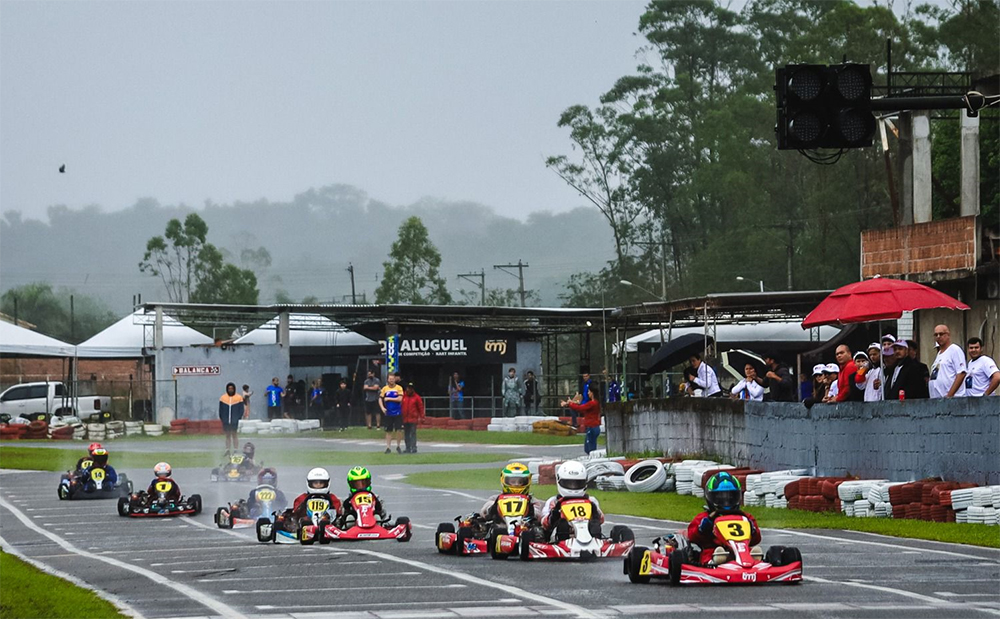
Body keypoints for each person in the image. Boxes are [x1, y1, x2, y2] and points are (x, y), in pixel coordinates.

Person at [686, 471, 761, 566]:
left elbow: (757, 539)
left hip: (742, 550)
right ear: (711, 497)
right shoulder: (705, 517)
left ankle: (754, 560)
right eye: (720, 497)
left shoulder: (745, 517)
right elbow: (691, 536)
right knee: (714, 554)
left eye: (730, 497)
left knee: (754, 552)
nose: (726, 501)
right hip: (714, 551)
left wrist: (752, 530)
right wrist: (702, 529)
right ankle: (714, 562)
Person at [540, 461, 604, 542]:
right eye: (569, 483)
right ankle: (562, 541)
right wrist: (555, 513)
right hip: (559, 538)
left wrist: (594, 513)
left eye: (577, 483)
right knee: (562, 524)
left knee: (594, 524)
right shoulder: (553, 501)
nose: (573, 487)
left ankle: (596, 541)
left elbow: (601, 519)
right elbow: (544, 524)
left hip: (588, 533)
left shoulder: (591, 501)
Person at [276, 468, 343, 534]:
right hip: (305, 522)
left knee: (327, 520)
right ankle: (303, 530)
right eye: (315, 483)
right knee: (304, 521)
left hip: (328, 523)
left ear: (327, 483)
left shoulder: (333, 498)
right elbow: (296, 512)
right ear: (309, 483)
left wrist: (327, 515)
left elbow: (337, 512)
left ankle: (324, 527)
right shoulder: (302, 498)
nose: (318, 485)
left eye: (321, 483)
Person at [562, 385, 602, 455]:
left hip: (592, 427)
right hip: (593, 427)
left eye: (589, 391)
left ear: (592, 393)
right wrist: (572, 403)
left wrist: (570, 404)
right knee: (589, 447)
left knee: (590, 449)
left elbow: (581, 408)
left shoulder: (593, 403)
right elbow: (582, 407)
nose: (588, 393)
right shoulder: (595, 403)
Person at [930, 325, 967, 399]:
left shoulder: (954, 350)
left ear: (948, 335)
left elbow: (961, 373)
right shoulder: (939, 353)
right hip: (938, 399)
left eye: (941, 334)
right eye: (936, 335)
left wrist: (950, 395)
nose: (938, 337)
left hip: (952, 399)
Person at [380, 373, 404, 454]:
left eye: (393, 379)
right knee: (388, 431)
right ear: (387, 380)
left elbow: (400, 399)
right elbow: (380, 399)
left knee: (399, 430)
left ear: (395, 379)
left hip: (397, 412)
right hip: (388, 413)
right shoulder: (384, 389)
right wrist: (382, 408)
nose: (391, 380)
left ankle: (398, 446)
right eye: (390, 379)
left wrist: (389, 398)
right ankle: (388, 447)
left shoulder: (399, 388)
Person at [218, 382, 245, 452]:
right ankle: (227, 449)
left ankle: (236, 449)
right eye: (229, 389)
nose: (230, 390)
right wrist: (223, 418)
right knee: (227, 435)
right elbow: (220, 410)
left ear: (234, 389)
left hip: (234, 420)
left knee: (234, 434)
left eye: (232, 388)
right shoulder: (223, 398)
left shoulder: (238, 398)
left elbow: (241, 409)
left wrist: (238, 417)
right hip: (226, 420)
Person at [401, 382, 425, 454]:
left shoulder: (417, 397)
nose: (409, 389)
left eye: (410, 388)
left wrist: (422, 417)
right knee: (406, 434)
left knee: (413, 433)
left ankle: (414, 447)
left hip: (413, 419)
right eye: (408, 388)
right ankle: (408, 448)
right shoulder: (403, 397)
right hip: (405, 419)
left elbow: (421, 407)